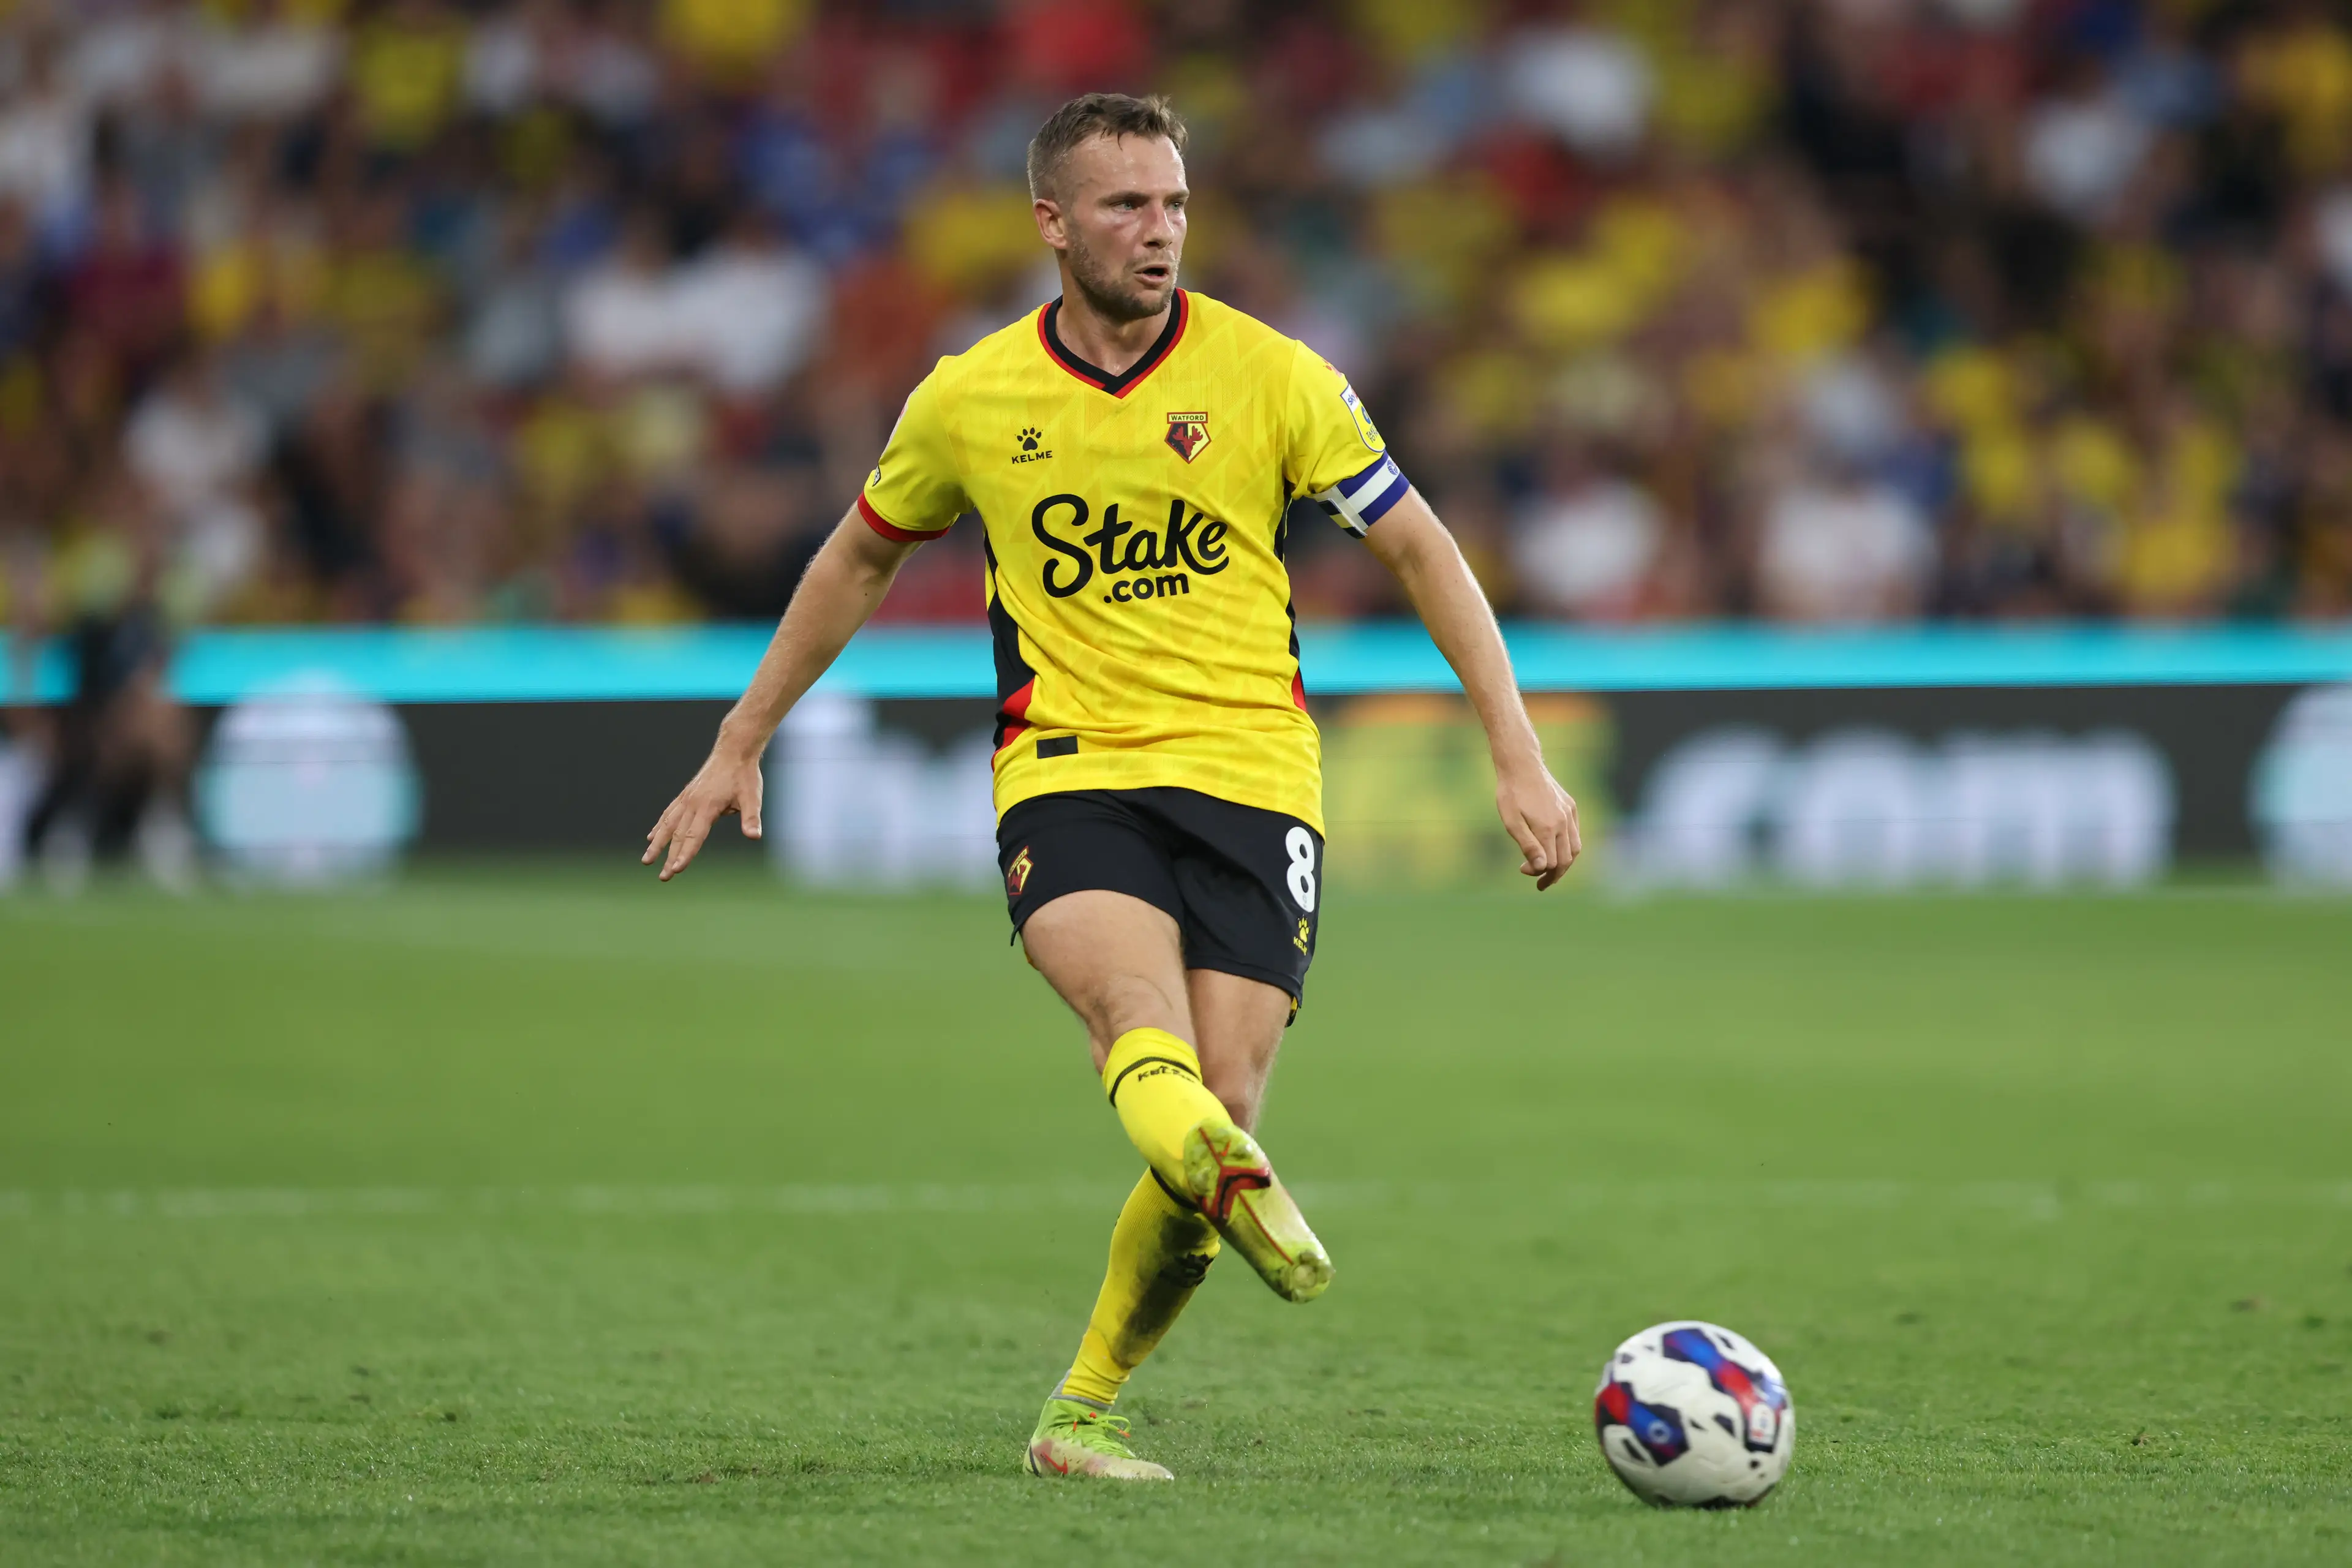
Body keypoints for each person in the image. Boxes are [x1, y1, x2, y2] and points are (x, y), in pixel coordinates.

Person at [643, 93, 1581, 1482]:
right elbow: (855, 559)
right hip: (1069, 769)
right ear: (1053, 224)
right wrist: (741, 735)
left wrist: (1516, 746)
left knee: (1223, 1100)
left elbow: (1425, 553)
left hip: (1257, 774)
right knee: (1131, 1023)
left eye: (1177, 205)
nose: (1160, 233)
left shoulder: (1277, 377)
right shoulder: (969, 398)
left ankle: (1081, 1405)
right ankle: (1195, 1237)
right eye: (1129, 206)